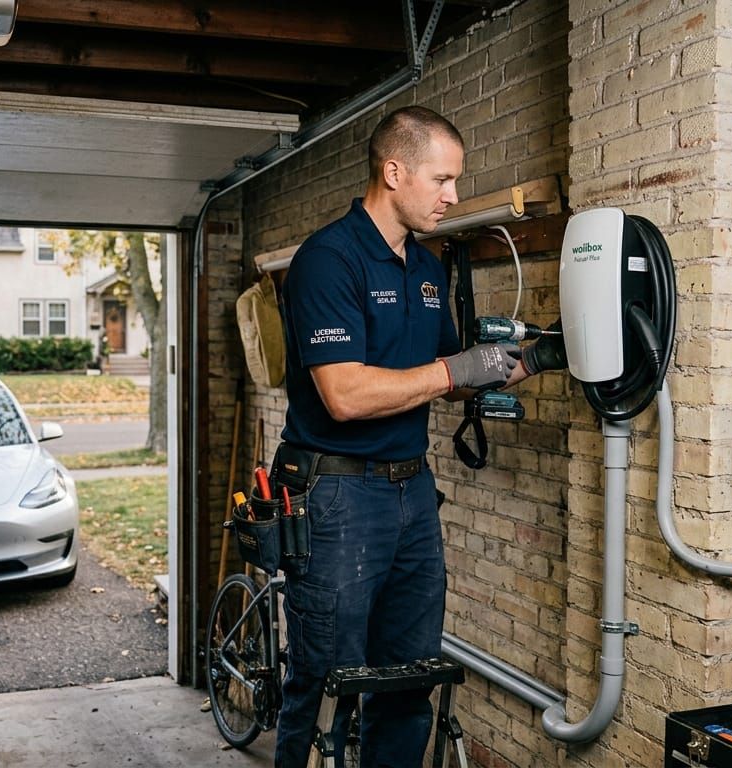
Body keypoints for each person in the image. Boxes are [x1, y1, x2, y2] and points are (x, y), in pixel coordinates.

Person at [273, 106, 566, 767]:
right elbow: (344, 396)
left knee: (408, 680)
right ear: (393, 170)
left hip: (411, 495)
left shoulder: (429, 269)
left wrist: (526, 361)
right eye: (443, 179)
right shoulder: (329, 260)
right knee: (326, 683)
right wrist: (450, 369)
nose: (453, 196)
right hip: (337, 499)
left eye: (455, 181)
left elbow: (442, 380)